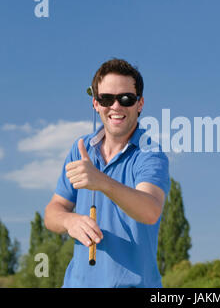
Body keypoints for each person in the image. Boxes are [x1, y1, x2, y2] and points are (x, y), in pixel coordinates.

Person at [44, 58, 170, 287]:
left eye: (126, 99)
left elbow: (150, 210)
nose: (116, 106)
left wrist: (102, 182)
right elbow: (52, 212)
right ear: (96, 103)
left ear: (140, 104)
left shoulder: (150, 154)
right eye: (106, 99)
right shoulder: (80, 148)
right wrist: (69, 220)